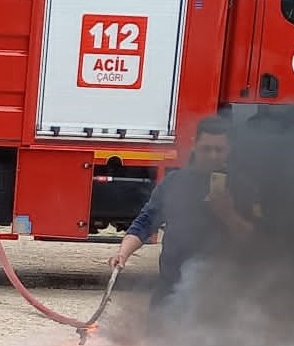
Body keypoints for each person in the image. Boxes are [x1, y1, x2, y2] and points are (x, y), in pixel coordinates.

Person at [109, 115, 260, 312]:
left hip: (221, 298)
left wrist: (228, 213)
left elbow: (256, 242)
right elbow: (145, 223)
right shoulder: (174, 183)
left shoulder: (242, 187)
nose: (213, 155)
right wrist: (122, 254)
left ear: (228, 150)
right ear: (195, 146)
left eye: (219, 150)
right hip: (170, 290)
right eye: (207, 149)